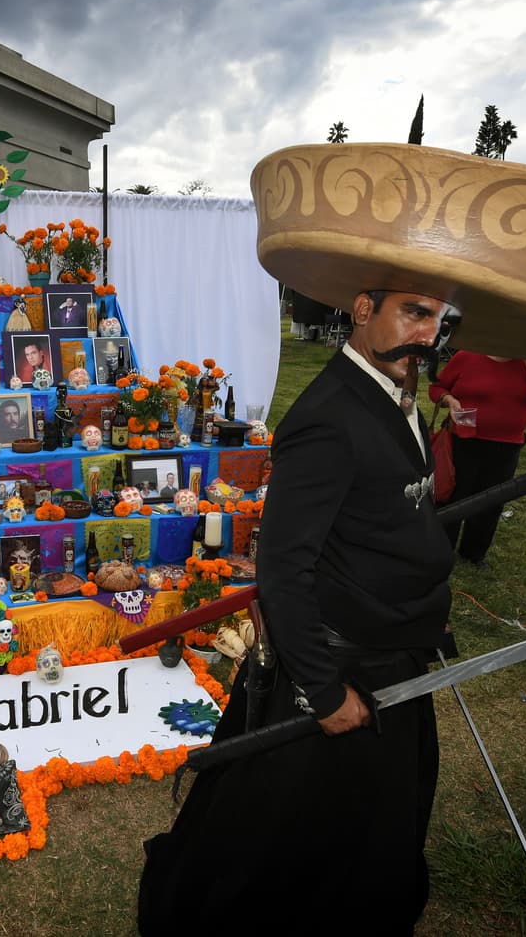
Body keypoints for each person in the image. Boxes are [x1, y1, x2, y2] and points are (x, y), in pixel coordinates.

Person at [138, 290, 456, 934]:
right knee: (283, 830)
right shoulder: (329, 414)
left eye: (441, 320)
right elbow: (283, 565)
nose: (428, 334)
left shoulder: (394, 388)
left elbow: (381, 515)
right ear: (363, 308)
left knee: (370, 824)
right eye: (415, 312)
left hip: (392, 647)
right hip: (340, 665)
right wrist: (322, 689)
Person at [428, 351, 526, 567]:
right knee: (453, 493)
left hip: (506, 446)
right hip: (462, 440)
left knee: (492, 498)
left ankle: (474, 552)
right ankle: (441, 549)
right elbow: (437, 388)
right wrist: (449, 399)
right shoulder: (467, 356)